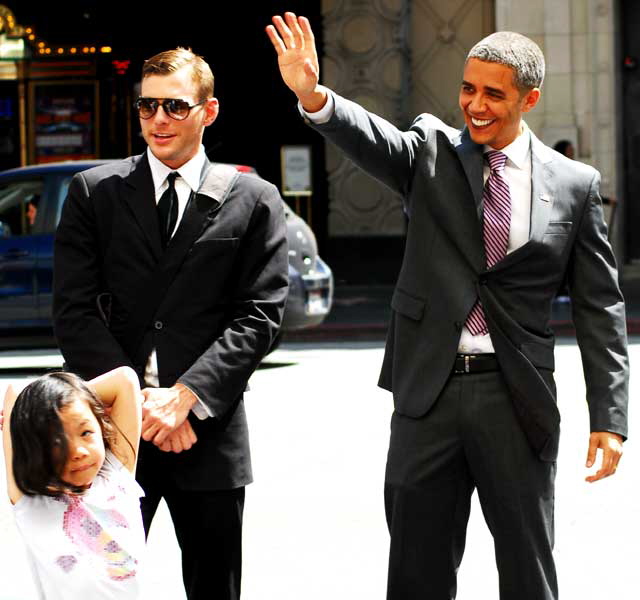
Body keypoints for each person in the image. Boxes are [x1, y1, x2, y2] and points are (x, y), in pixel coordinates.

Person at [267, 13, 629, 600]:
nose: (475, 105)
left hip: (518, 400)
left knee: (528, 569)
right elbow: (371, 137)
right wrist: (313, 94)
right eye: (468, 88)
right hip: (426, 395)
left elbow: (600, 310)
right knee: (416, 570)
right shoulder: (430, 152)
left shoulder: (574, 184)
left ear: (530, 98)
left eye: (494, 93)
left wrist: (609, 419)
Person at [53, 47, 289, 600]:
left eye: (175, 107)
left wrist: (186, 397)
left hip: (206, 433)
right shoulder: (94, 193)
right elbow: (72, 311)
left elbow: (261, 315)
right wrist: (137, 405)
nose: (158, 119)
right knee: (94, 587)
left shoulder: (253, 199)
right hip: (109, 434)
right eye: (147, 106)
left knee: (214, 588)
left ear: (208, 111)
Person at [2, 367, 143, 599]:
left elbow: (125, 380)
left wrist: (75, 398)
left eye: (86, 432)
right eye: (58, 442)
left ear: (101, 428)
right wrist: (34, 410)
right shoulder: (32, 503)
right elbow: (14, 393)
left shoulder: (117, 476)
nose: (77, 451)